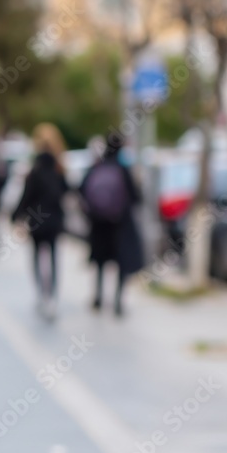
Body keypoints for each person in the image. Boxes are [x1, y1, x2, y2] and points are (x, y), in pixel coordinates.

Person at [80, 134, 143, 317]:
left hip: (99, 225)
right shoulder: (123, 169)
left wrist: (93, 212)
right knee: (121, 264)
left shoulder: (97, 166)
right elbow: (136, 197)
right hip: (120, 225)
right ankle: (118, 301)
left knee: (100, 262)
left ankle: (98, 297)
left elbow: (82, 190)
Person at [12, 125, 69, 321]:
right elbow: (66, 193)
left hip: (37, 222)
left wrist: (16, 217)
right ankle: (51, 296)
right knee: (53, 258)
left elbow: (26, 198)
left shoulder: (35, 171)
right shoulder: (59, 169)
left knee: (37, 258)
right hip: (54, 221)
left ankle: (41, 294)